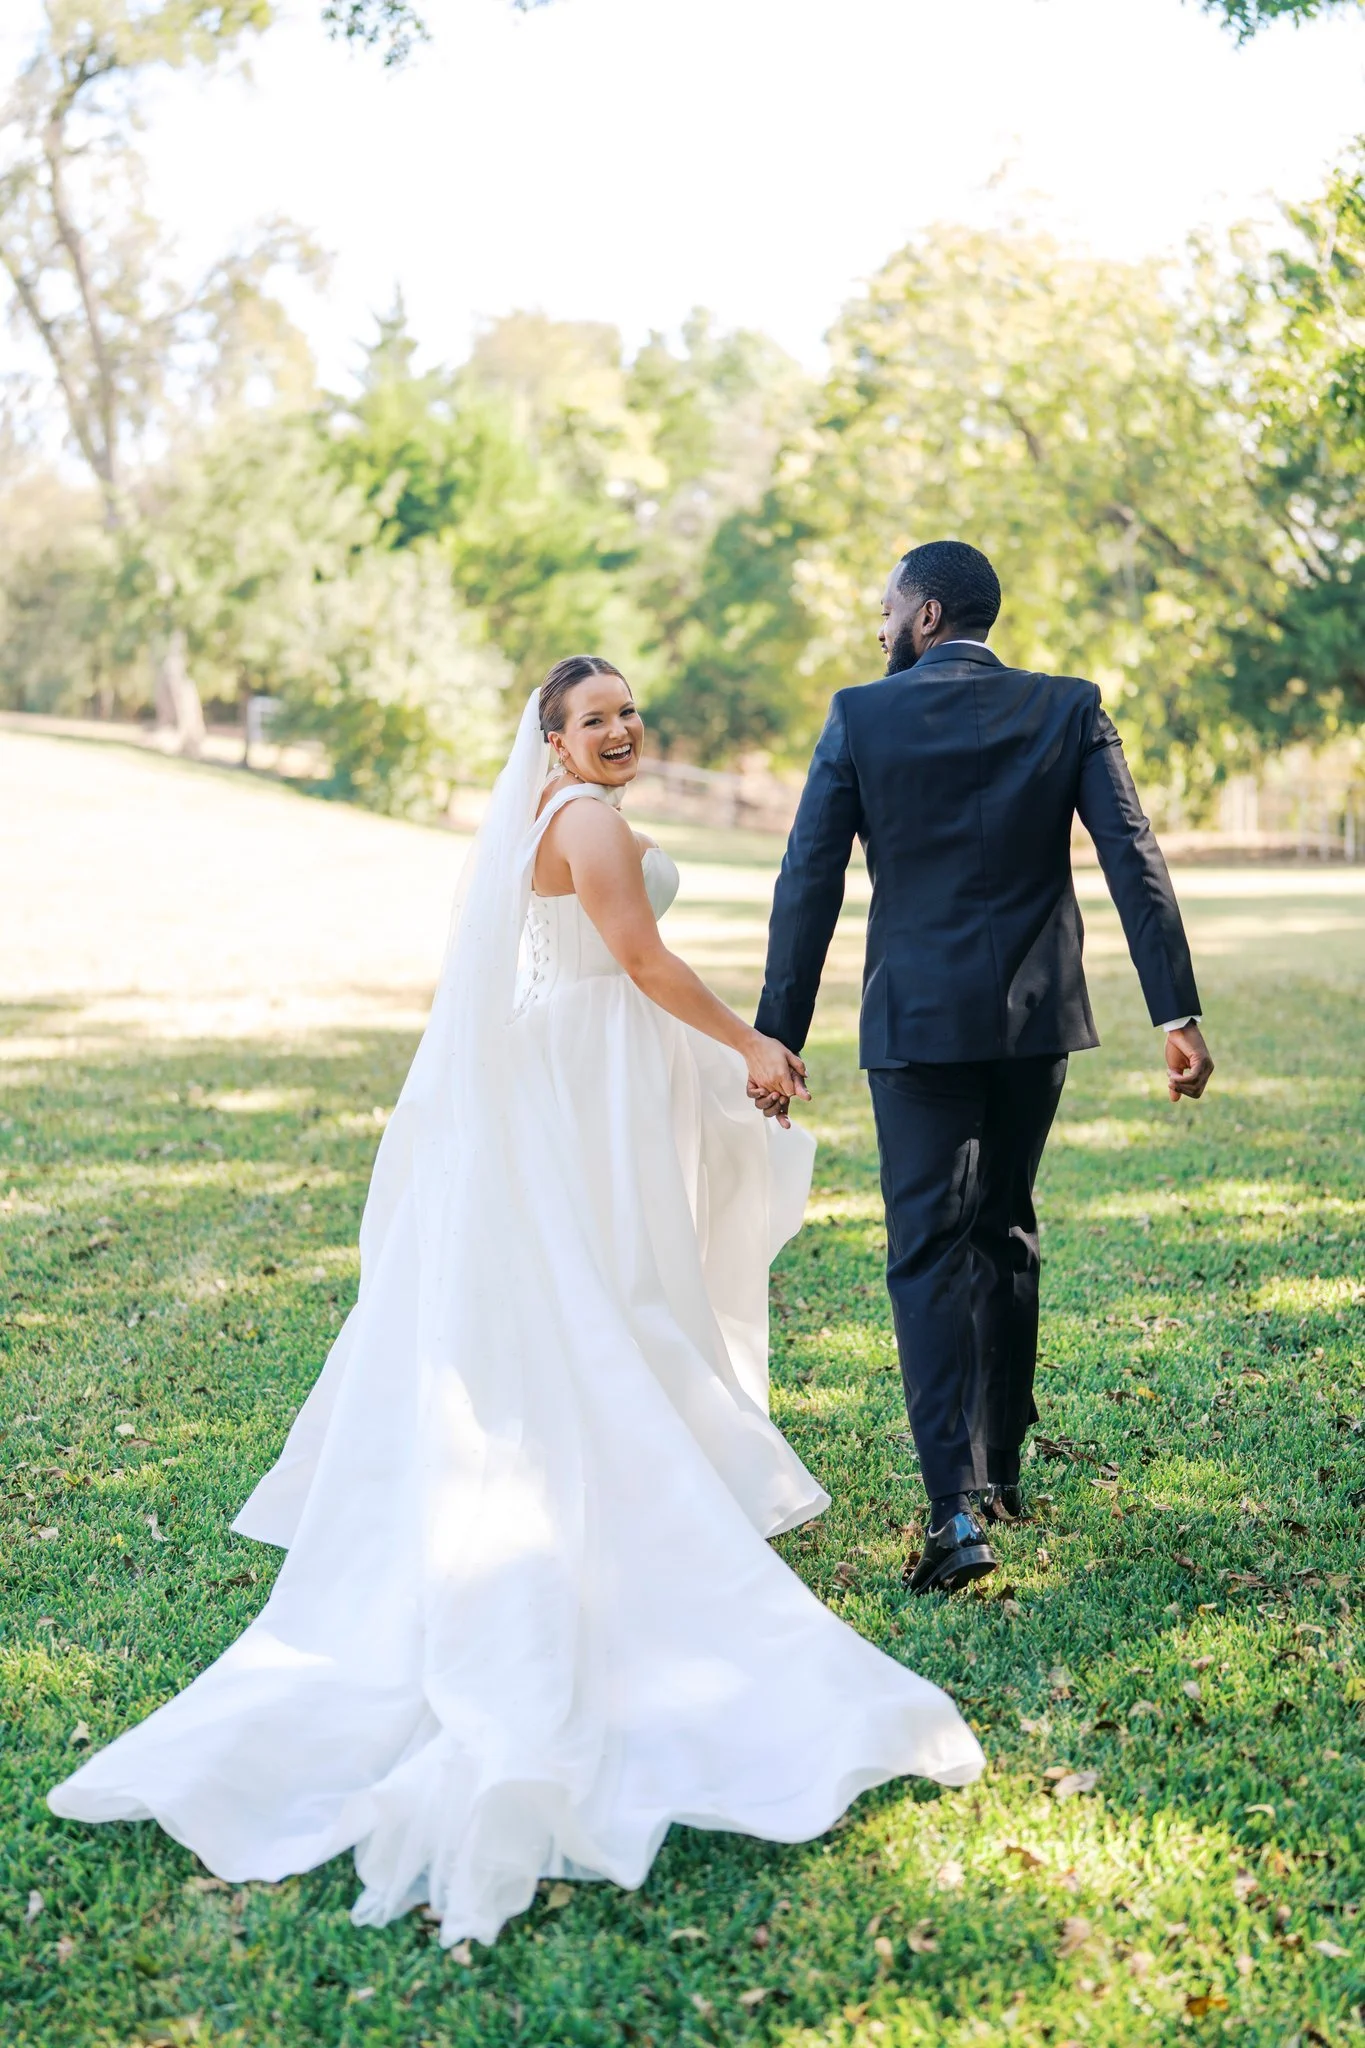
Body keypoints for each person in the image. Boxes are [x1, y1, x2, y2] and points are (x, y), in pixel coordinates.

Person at [50, 656, 984, 1948]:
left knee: (614, 1299)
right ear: (550, 741)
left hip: (589, 1071)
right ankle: (626, 1504)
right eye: (591, 718)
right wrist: (753, 1045)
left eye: (627, 713)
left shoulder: (560, 818)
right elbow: (644, 964)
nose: (619, 731)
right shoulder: (584, 821)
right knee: (613, 1302)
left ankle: (633, 1474)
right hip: (589, 1084)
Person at [752, 542, 1213, 1596]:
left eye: (885, 609)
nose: (878, 630)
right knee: (1005, 1222)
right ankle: (999, 1467)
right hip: (1035, 1018)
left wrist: (780, 1027)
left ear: (924, 614)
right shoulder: (1068, 705)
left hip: (916, 1023)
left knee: (926, 1248)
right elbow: (1131, 851)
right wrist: (1175, 1010)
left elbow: (807, 878)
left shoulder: (861, 716)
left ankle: (953, 1507)